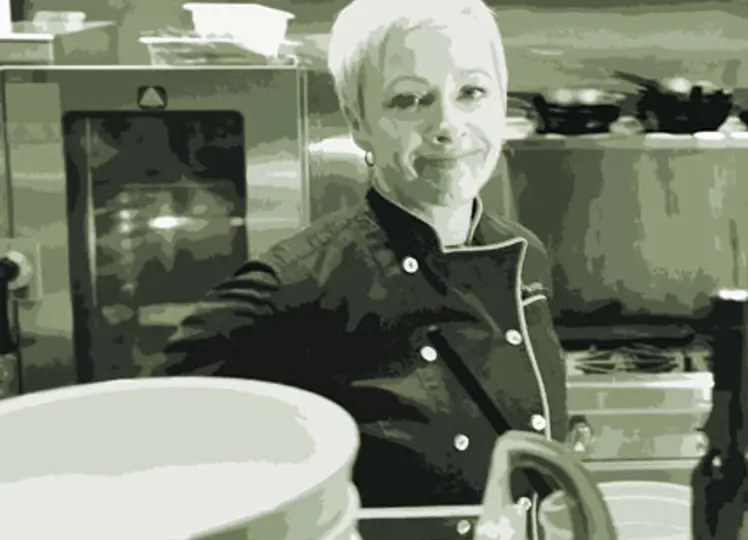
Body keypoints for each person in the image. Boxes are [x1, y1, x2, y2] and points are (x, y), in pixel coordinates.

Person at [156, 0, 565, 535]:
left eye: (472, 92)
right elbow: (155, 444)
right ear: (359, 124)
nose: (447, 125)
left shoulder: (524, 252)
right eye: (409, 100)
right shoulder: (297, 286)